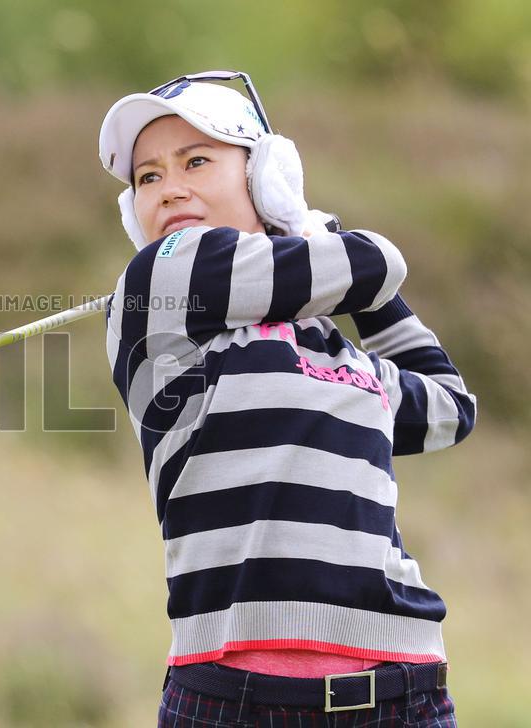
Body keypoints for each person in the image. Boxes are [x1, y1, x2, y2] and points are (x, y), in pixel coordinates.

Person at [98, 72, 476, 726]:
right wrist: (310, 231)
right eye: (148, 178)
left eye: (196, 161)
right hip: (231, 695)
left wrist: (299, 227)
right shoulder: (155, 287)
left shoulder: (342, 360)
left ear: (266, 178)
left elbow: (449, 406)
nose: (170, 188)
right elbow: (375, 262)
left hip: (403, 689)